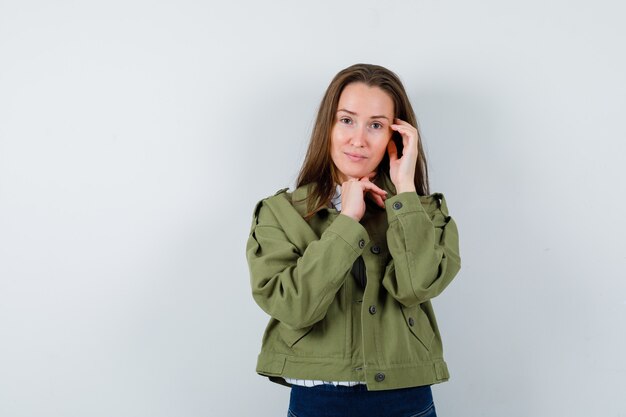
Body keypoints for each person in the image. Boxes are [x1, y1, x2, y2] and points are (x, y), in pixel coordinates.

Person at [246, 63, 461, 417]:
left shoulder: (420, 211)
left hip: (405, 398)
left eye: (376, 125)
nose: (358, 139)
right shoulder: (279, 212)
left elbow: (416, 286)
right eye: (346, 120)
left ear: (396, 137)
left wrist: (405, 192)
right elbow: (293, 307)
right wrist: (347, 221)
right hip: (319, 401)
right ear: (327, 126)